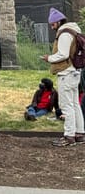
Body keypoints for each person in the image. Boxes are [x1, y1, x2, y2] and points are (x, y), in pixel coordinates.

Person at [42, 7, 85, 146]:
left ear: (59, 22)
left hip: (66, 72)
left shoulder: (64, 34)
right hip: (74, 72)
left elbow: (63, 54)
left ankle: (69, 136)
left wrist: (49, 58)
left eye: (53, 24)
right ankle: (79, 133)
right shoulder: (74, 31)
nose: (52, 26)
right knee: (74, 104)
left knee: (66, 106)